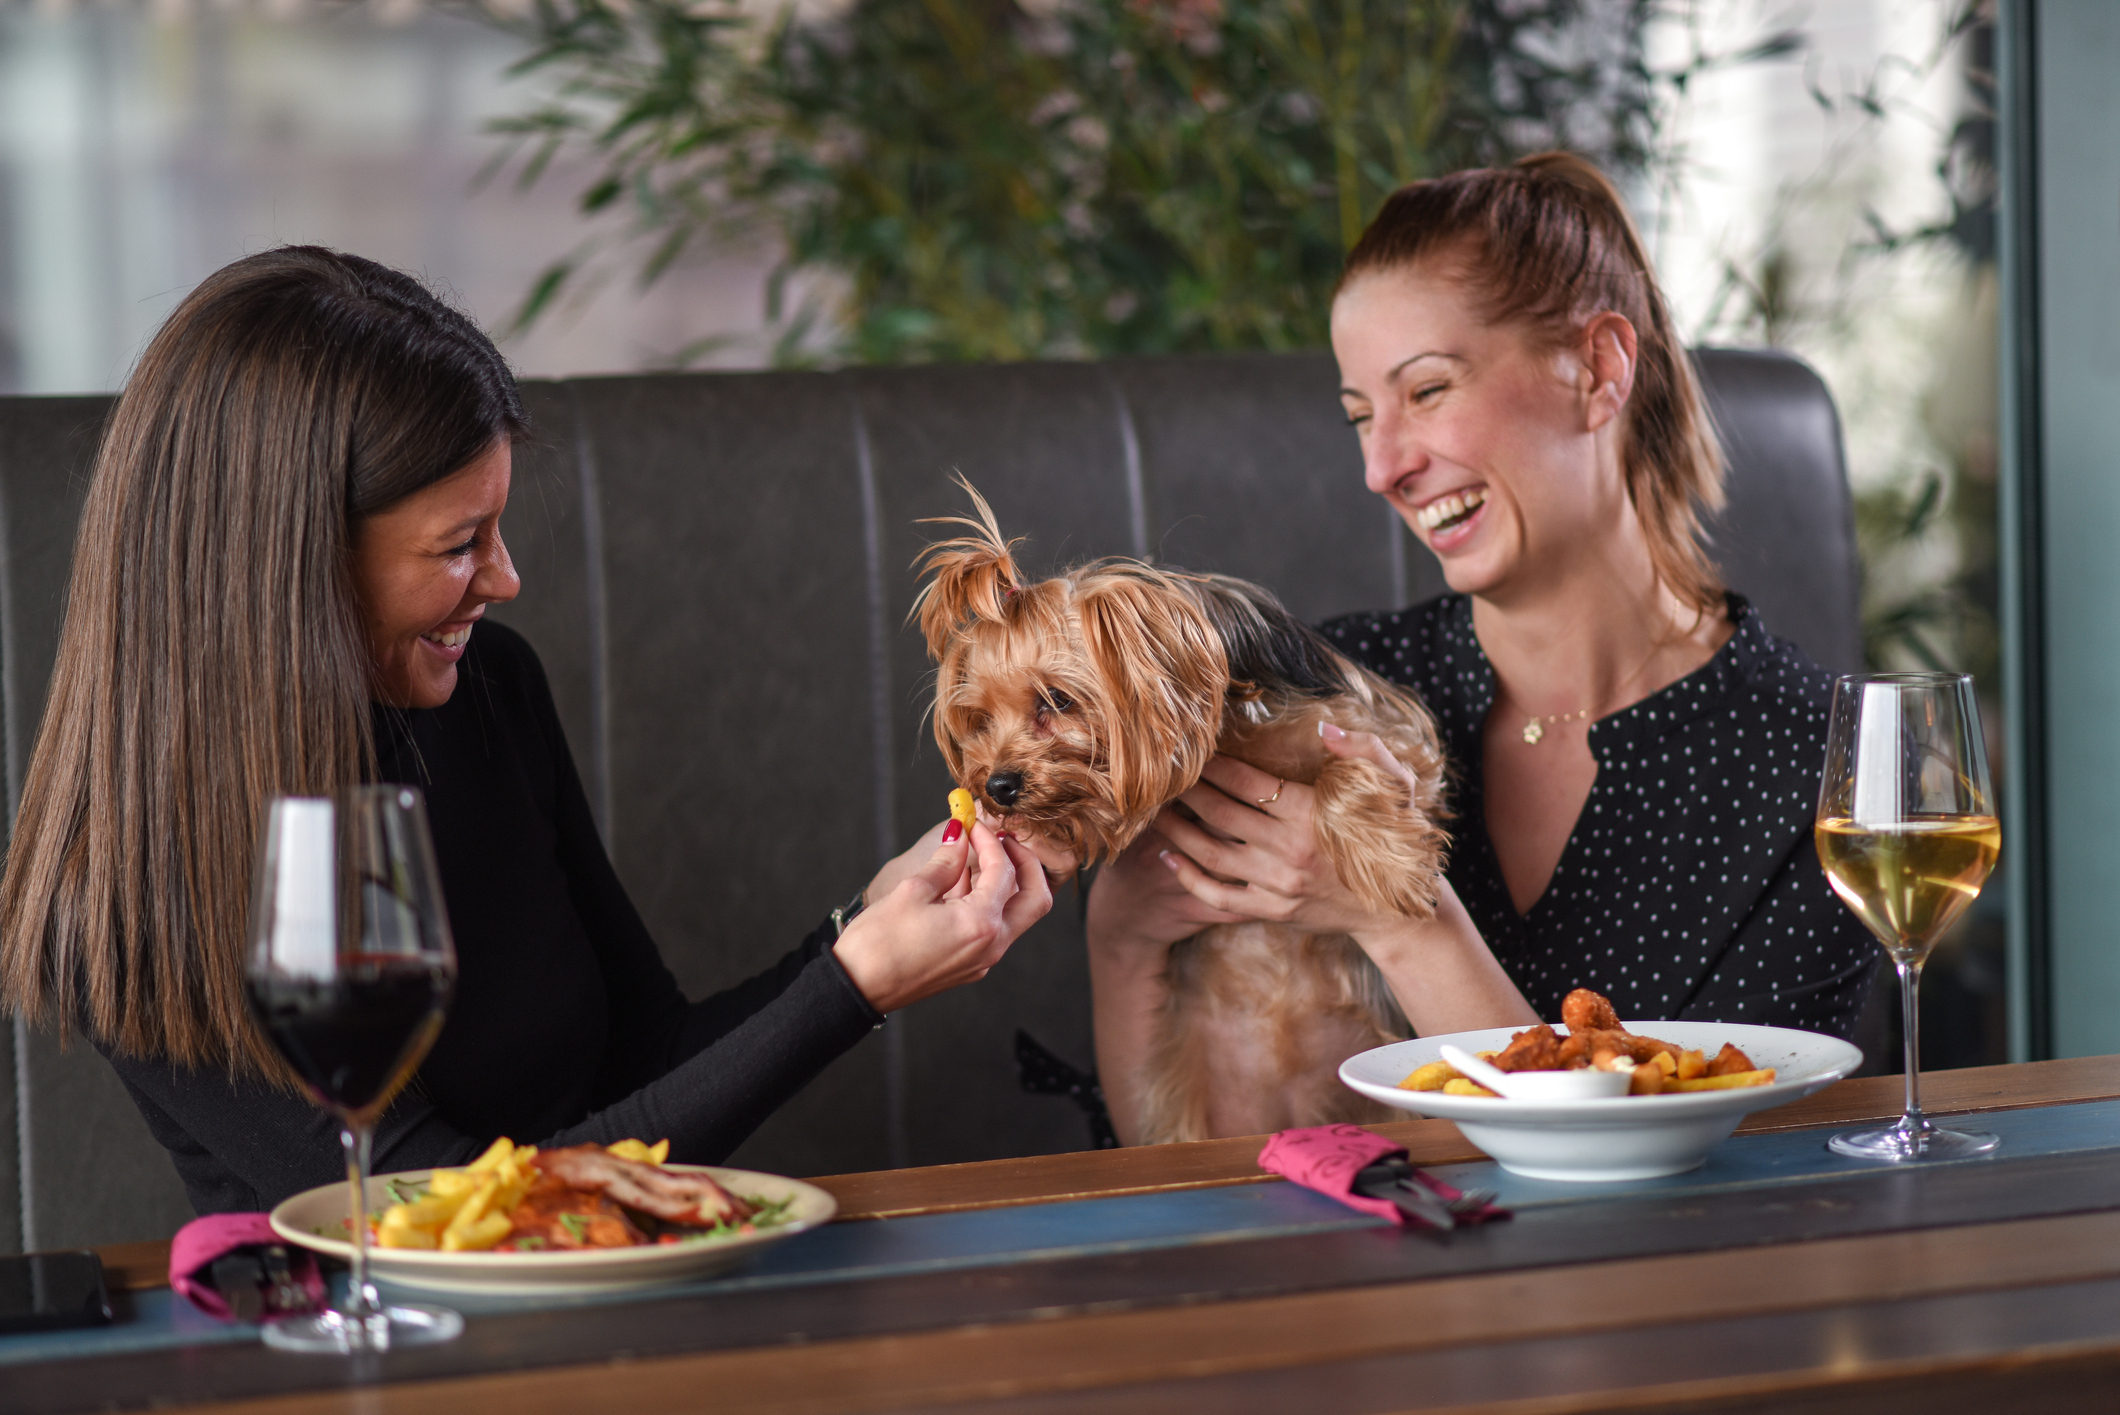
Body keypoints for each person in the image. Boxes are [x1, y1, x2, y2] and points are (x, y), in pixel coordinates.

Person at [0, 248, 1050, 1214]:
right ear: (291, 565)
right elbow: (439, 1211)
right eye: (459, 545)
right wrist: (850, 985)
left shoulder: (491, 691)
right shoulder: (131, 890)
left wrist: (859, 929)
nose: (505, 580)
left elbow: (652, 1057)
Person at [1086, 153, 1873, 1145]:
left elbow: (1735, 1165)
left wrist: (1394, 912)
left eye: (1426, 390)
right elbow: (1185, 1167)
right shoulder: (1325, 701)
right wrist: (1118, 940)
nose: (1382, 466)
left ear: (1596, 369)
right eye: (1360, 417)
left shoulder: (1813, 758)